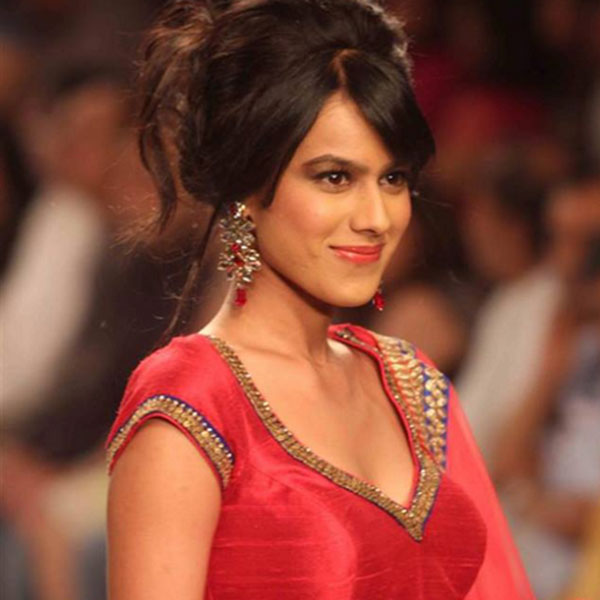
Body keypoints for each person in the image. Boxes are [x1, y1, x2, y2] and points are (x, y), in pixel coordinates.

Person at [105, 1, 534, 598]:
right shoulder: (191, 400)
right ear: (244, 187)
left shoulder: (414, 385)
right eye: (335, 177)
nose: (376, 217)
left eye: (393, 178)